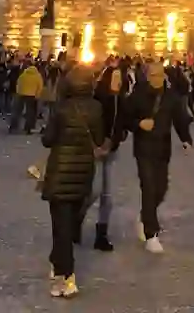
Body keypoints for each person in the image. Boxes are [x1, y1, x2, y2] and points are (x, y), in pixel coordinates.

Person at [41, 65, 105, 300]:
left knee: (61, 227)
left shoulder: (61, 108)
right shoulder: (96, 108)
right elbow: (99, 138)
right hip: (83, 173)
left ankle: (66, 277)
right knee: (67, 224)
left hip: (60, 173)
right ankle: (57, 261)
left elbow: (48, 140)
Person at [125, 60, 192, 254]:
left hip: (163, 148)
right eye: (154, 75)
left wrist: (186, 139)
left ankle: (145, 216)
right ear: (147, 76)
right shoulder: (138, 95)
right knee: (148, 187)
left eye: (161, 75)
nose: (158, 79)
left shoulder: (171, 96)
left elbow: (179, 119)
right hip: (143, 148)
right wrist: (138, 124)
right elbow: (126, 118)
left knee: (161, 188)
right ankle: (151, 234)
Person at [85, 63, 129, 251]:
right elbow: (88, 124)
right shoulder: (97, 100)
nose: (117, 81)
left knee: (107, 195)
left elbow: (123, 127)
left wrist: (115, 139)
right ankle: (77, 217)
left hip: (110, 152)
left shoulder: (122, 101)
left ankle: (101, 233)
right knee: (94, 190)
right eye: (114, 77)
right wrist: (95, 145)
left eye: (120, 78)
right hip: (95, 151)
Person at [10, 59, 44, 134]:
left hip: (21, 93)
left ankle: (13, 126)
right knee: (30, 112)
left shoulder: (23, 75)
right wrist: (37, 95)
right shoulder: (38, 76)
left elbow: (18, 84)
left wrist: (18, 92)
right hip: (32, 95)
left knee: (17, 111)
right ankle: (28, 128)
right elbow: (40, 86)